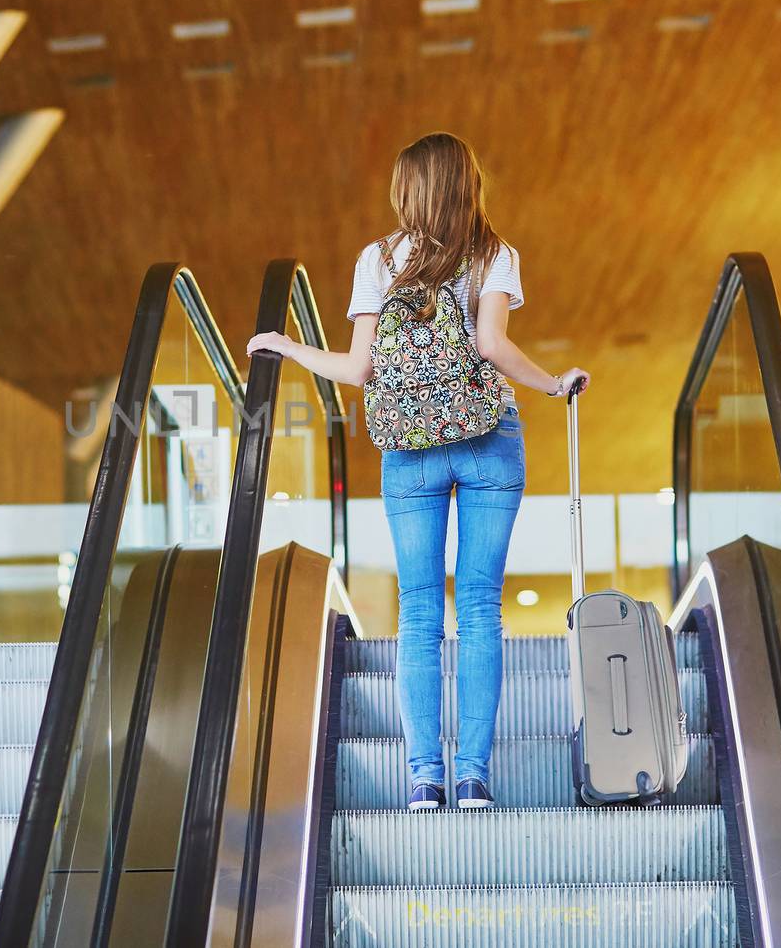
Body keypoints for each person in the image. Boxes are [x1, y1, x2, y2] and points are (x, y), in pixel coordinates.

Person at [247, 131, 589, 811]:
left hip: (409, 447)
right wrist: (554, 384)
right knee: (482, 608)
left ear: (408, 189)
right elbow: (490, 344)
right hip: (489, 440)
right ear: (469, 184)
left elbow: (358, 369)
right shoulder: (494, 253)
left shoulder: (378, 260)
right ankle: (473, 778)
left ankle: (424, 777)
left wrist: (285, 344)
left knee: (421, 609)